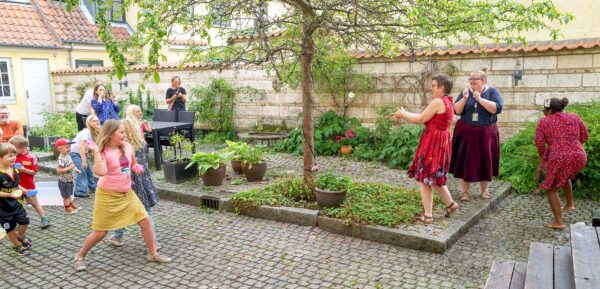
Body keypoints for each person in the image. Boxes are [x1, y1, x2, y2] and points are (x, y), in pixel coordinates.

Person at [73, 120, 170, 271]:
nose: (125, 135)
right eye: (121, 132)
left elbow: (132, 165)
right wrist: (96, 152)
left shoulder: (128, 147)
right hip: (107, 196)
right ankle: (80, 256)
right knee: (101, 232)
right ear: (111, 134)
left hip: (127, 194)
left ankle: (152, 253)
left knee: (145, 221)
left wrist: (137, 168)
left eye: (124, 132)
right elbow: (101, 172)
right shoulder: (103, 151)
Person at [390, 74, 459, 224]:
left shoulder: (438, 101)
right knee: (435, 176)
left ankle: (428, 215)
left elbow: (421, 119)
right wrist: (405, 113)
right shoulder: (449, 102)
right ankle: (451, 204)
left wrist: (403, 114)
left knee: (425, 178)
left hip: (433, 142)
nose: (431, 88)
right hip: (442, 142)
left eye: (433, 85)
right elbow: (426, 117)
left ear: (442, 87)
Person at [449, 67, 503, 201]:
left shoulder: (492, 92)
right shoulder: (466, 92)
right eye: (470, 79)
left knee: (485, 160)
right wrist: (464, 98)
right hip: (466, 132)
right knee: (465, 161)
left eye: (475, 79)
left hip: (486, 133)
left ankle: (485, 190)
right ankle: (465, 192)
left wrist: (479, 99)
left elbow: (497, 108)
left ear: (483, 80)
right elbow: (456, 110)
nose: (472, 81)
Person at [535, 98, 588, 230]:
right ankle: (569, 205)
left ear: (550, 111)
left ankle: (559, 222)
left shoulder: (544, 122)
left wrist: (545, 157)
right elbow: (584, 136)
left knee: (551, 189)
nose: (543, 114)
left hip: (559, 157)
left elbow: (539, 144)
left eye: (544, 111)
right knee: (565, 176)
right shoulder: (574, 117)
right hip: (579, 155)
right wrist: (573, 146)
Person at [110, 105, 159, 248]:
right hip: (135, 179)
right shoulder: (127, 145)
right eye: (137, 111)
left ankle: (117, 236)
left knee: (128, 208)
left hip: (136, 178)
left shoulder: (134, 137)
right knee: (144, 209)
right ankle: (153, 243)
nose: (124, 134)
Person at [10, 136, 51, 228]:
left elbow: (34, 172)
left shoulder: (31, 157)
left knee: (34, 202)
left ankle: (44, 219)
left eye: (14, 149)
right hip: (16, 186)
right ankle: (21, 221)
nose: (12, 151)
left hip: (28, 185)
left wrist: (23, 170)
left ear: (23, 148)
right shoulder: (13, 156)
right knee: (19, 204)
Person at [0, 142, 33, 255]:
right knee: (9, 228)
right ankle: (17, 245)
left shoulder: (15, 170)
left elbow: (15, 185)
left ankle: (20, 236)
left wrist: (24, 190)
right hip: (3, 207)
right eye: (9, 155)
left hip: (16, 203)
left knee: (24, 221)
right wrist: (10, 194)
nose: (14, 157)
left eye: (14, 155)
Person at [70, 115, 101, 198]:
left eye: (97, 120)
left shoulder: (97, 132)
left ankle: (92, 187)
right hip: (74, 151)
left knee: (89, 171)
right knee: (80, 170)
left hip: (82, 153)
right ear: (89, 123)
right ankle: (79, 191)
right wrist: (84, 161)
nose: (97, 122)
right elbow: (81, 146)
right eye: (94, 121)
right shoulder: (86, 132)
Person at [56, 138, 82, 214]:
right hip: (64, 181)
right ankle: (66, 208)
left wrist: (76, 169)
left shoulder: (68, 156)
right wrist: (69, 168)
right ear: (60, 148)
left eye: (69, 147)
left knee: (69, 194)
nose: (69, 149)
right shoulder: (61, 159)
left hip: (69, 179)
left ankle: (70, 205)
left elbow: (72, 165)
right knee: (66, 196)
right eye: (67, 147)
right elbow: (59, 171)